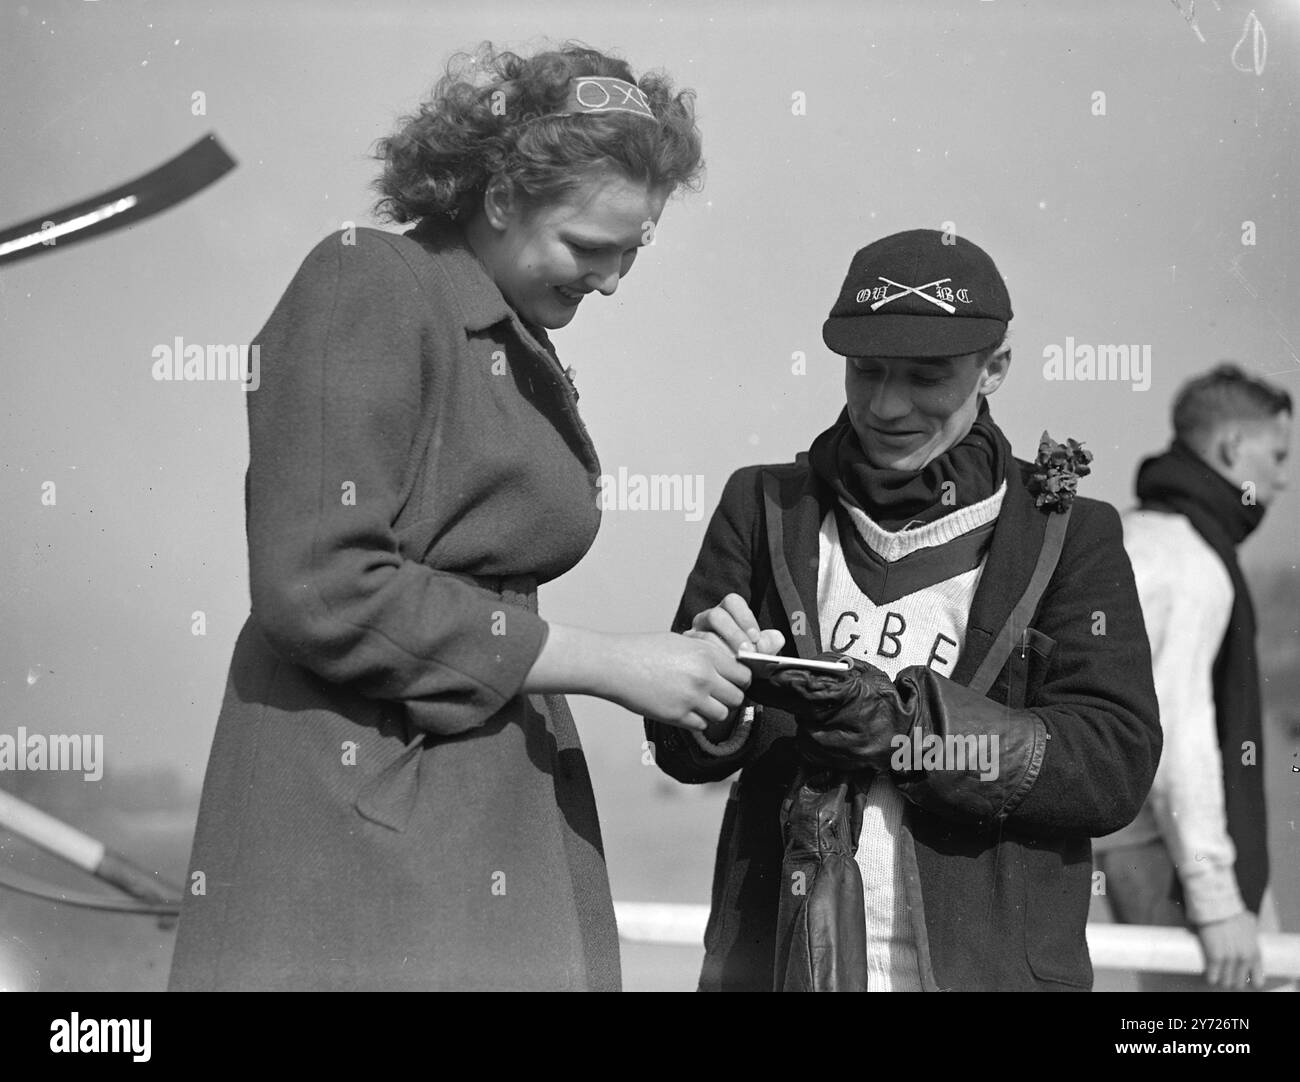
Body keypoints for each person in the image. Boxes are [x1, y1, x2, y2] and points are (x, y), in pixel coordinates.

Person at [168, 42, 752, 991]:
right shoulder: (369, 283)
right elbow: (320, 585)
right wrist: (614, 663)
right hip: (364, 821)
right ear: (500, 200)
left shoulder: (497, 321)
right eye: (588, 247)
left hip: (484, 794)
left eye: (632, 251)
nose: (610, 282)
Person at [646, 228, 1162, 991]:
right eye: (866, 370)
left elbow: (1112, 765)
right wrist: (720, 702)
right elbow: (680, 748)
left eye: (927, 376)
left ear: (996, 369)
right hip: (778, 963)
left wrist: (909, 732)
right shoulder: (763, 506)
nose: (887, 405)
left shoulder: (1072, 534)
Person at [1095, 364, 1292, 991]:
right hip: (1172, 853)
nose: (1285, 479)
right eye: (1279, 454)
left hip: (1126, 844)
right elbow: (1179, 740)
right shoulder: (1191, 566)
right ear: (1233, 447)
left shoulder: (1130, 534)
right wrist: (1216, 899)